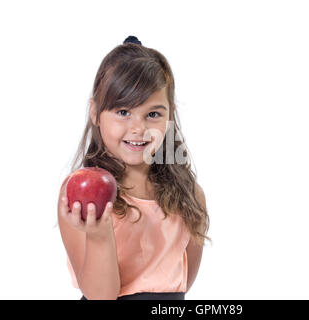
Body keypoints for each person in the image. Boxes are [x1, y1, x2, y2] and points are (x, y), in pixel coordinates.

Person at [57, 35, 211, 300]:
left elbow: (183, 283)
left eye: (153, 114)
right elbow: (101, 295)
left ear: (170, 115)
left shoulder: (190, 195)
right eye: (123, 112)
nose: (139, 129)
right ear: (95, 112)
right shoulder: (81, 196)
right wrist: (99, 236)